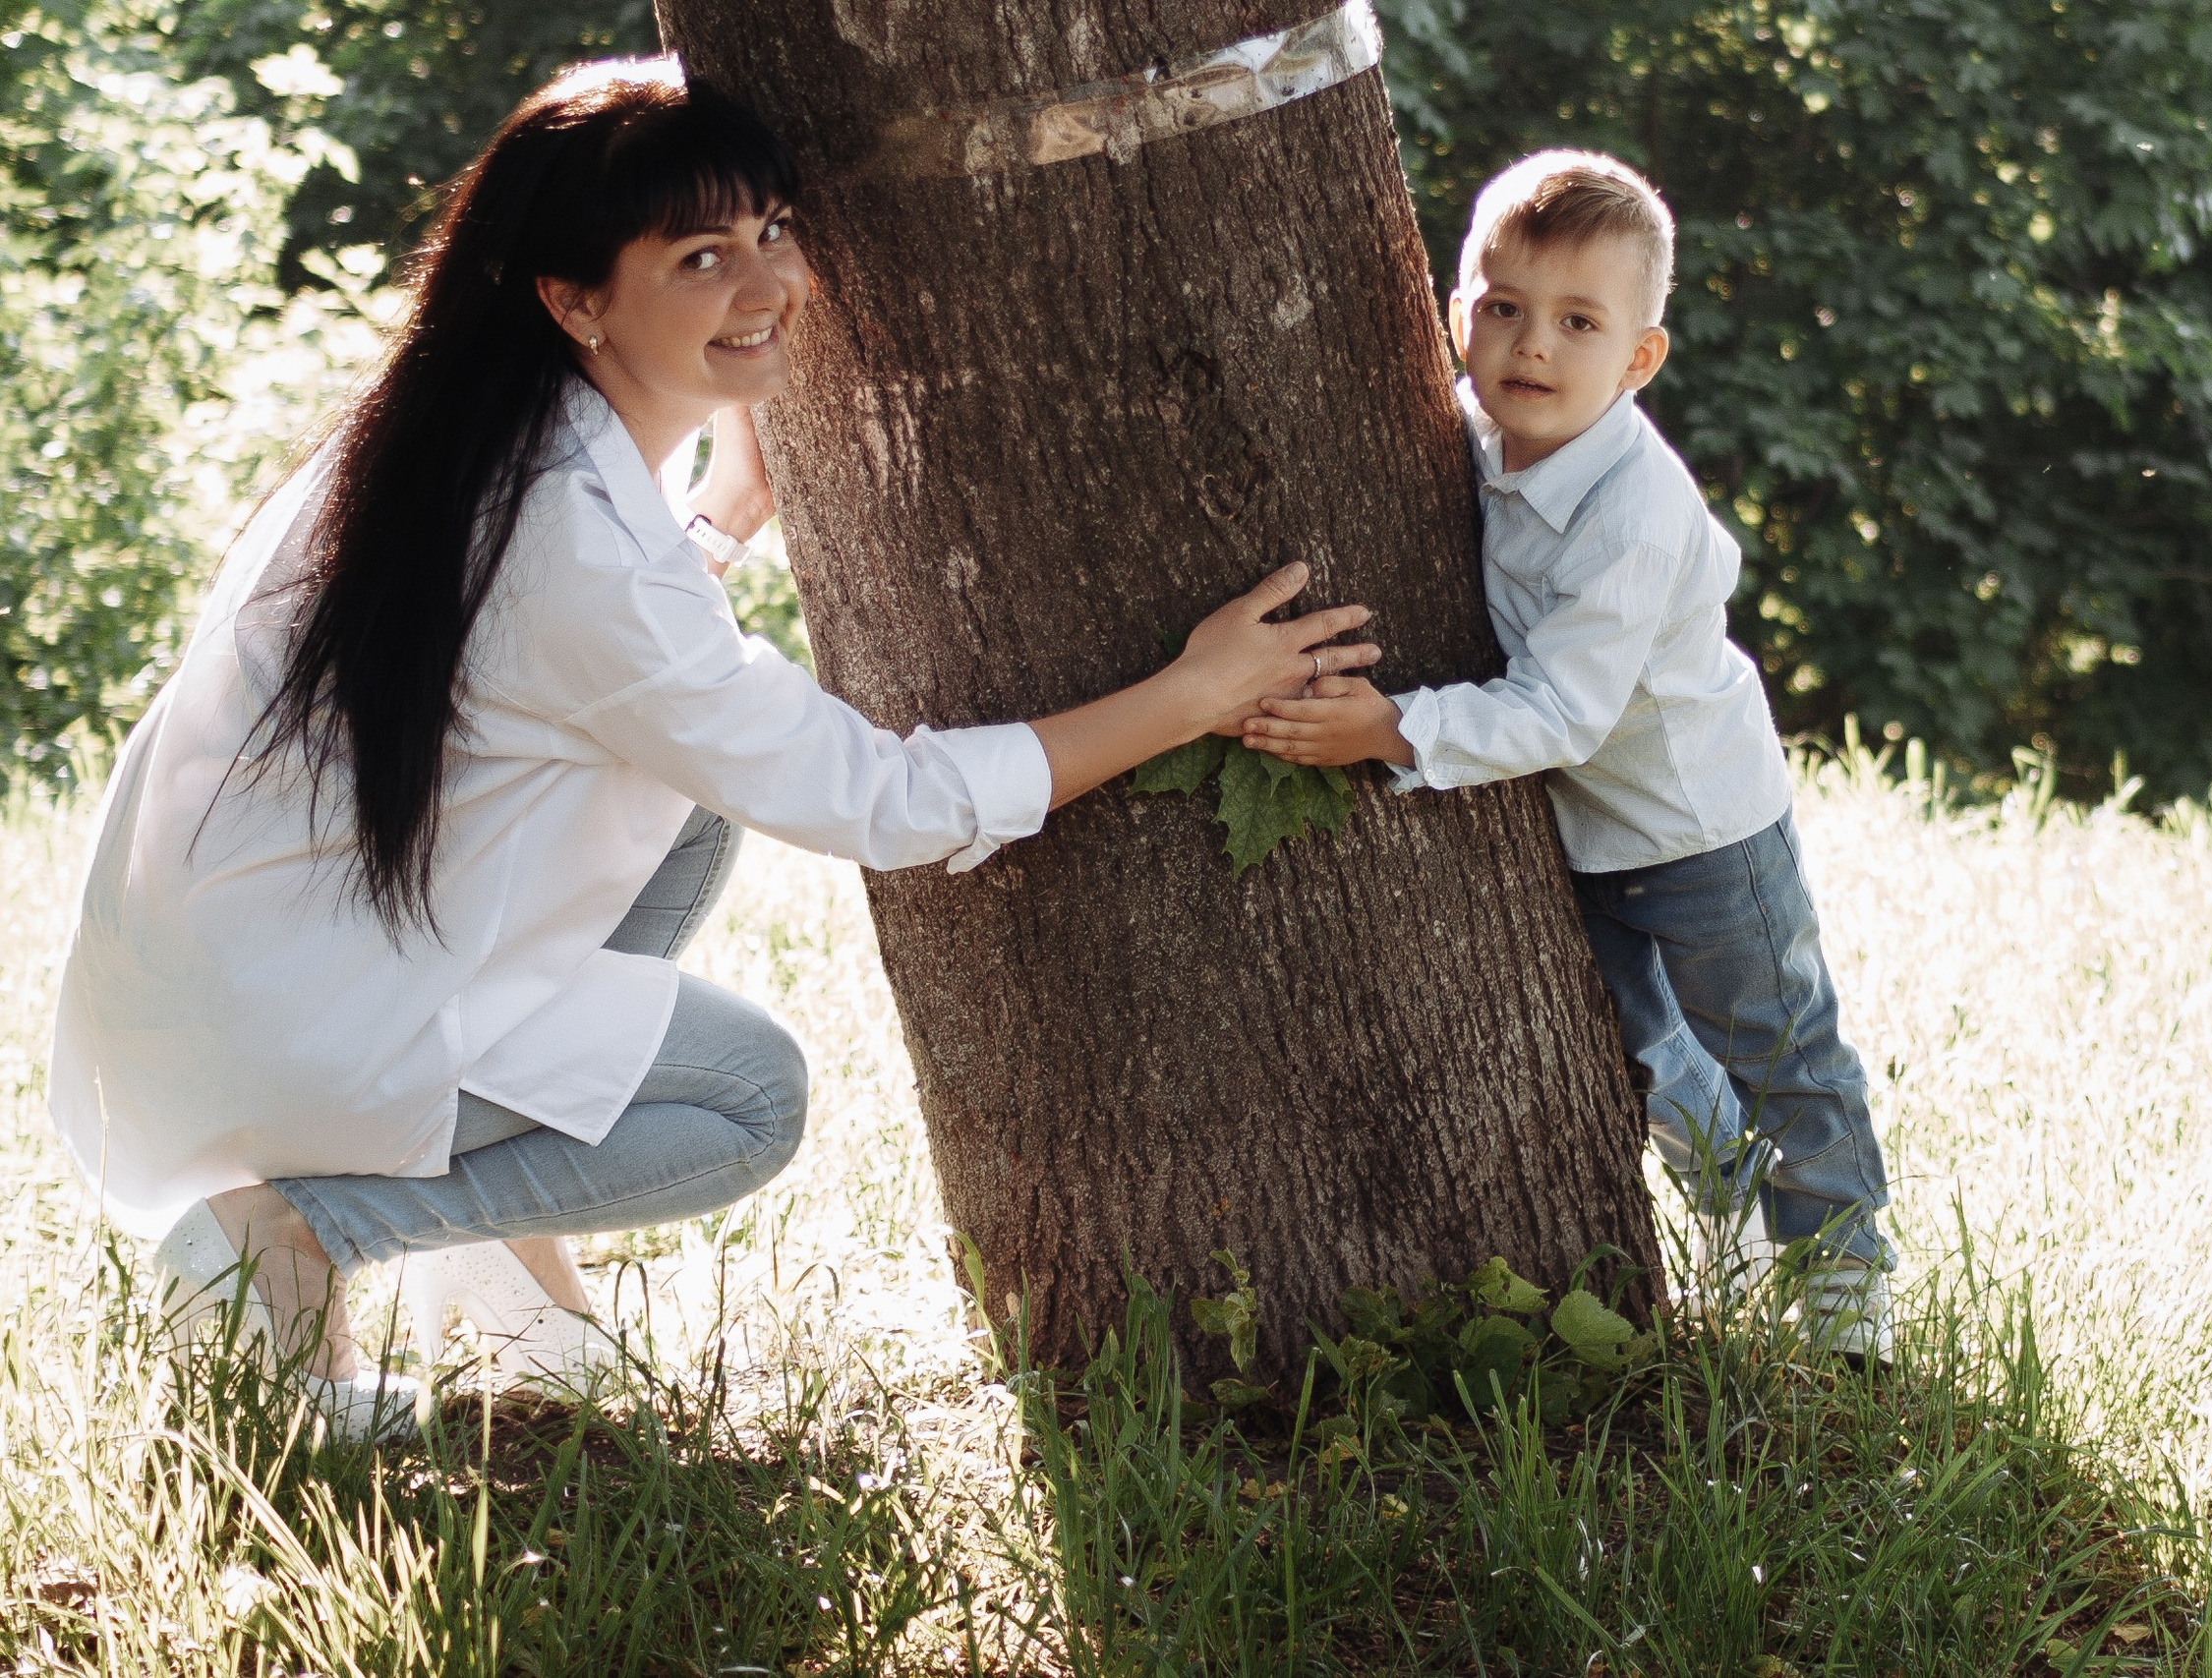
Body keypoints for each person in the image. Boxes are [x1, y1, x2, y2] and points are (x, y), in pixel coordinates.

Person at [46, 59, 1380, 1435]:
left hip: (240, 970)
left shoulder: (460, 436)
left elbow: (545, 683)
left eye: (773, 231)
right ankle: (295, 1228)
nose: (768, 283)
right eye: (700, 255)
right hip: (292, 1016)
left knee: (687, 811)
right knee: (748, 1095)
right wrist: (1192, 690)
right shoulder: (567, 532)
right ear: (573, 299)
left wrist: (727, 516)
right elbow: (878, 797)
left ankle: (519, 1311)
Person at [1240, 151, 1892, 1359]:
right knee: (1637, 1050)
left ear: (1637, 359)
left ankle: (1848, 1280)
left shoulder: (1633, 511)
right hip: (1584, 832)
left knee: (1779, 1048)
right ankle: (1735, 1224)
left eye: (1578, 323)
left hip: (1702, 827)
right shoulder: (1478, 444)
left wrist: (1385, 725)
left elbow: (1563, 712)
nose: (1531, 347)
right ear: (1456, 318)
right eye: (1503, 310)